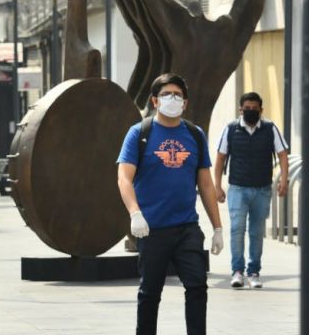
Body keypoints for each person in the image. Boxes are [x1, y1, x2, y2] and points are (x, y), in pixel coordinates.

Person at [117, 74, 224, 335]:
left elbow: (206, 184)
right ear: (155, 100)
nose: (173, 99)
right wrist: (135, 213)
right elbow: (124, 177)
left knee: (197, 286)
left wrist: (218, 228)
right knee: (150, 293)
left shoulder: (195, 135)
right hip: (152, 228)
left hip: (186, 226)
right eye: (167, 94)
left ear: (185, 103)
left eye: (178, 95)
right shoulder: (140, 133)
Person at [213, 92, 289, 289]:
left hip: (262, 189)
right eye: (247, 109)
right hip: (237, 188)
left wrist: (284, 179)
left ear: (261, 110)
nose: (251, 112)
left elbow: (282, 154)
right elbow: (220, 158)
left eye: (255, 109)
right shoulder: (230, 129)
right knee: (237, 229)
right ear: (240, 109)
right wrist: (217, 186)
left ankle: (254, 272)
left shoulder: (270, 129)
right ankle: (237, 271)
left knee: (256, 232)